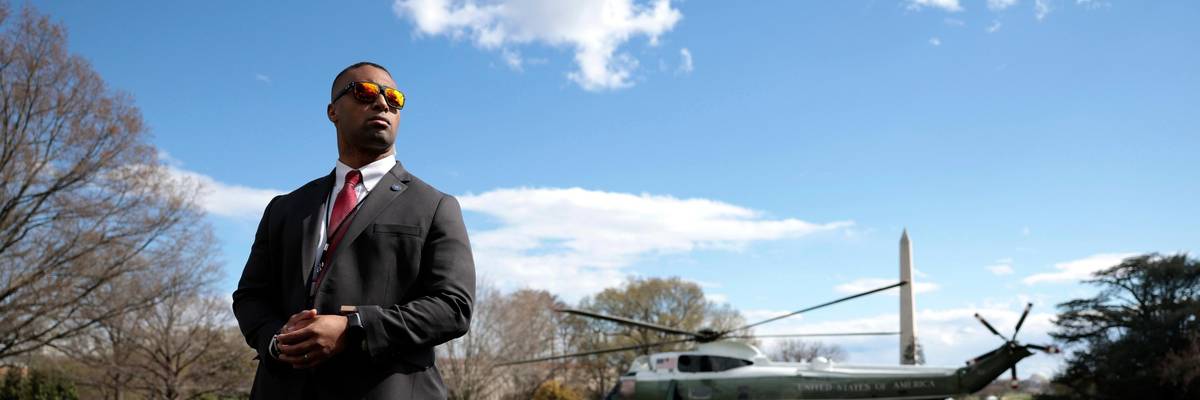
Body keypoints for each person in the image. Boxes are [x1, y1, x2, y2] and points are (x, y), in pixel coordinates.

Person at [232, 61, 475, 399]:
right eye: (364, 91)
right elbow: (250, 296)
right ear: (332, 111)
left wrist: (354, 328)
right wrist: (276, 341)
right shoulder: (284, 208)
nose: (382, 103)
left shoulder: (436, 205)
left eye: (394, 98)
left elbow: (453, 306)